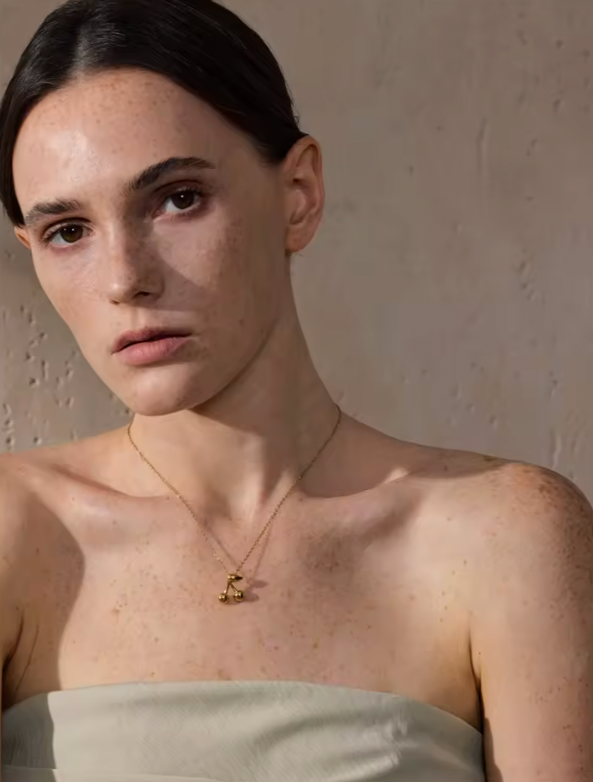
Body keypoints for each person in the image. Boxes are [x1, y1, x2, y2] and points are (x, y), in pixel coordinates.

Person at [0, 0, 591, 779]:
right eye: (68, 232)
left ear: (300, 194)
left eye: (177, 198)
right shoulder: (17, 531)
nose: (124, 279)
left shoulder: (504, 537)